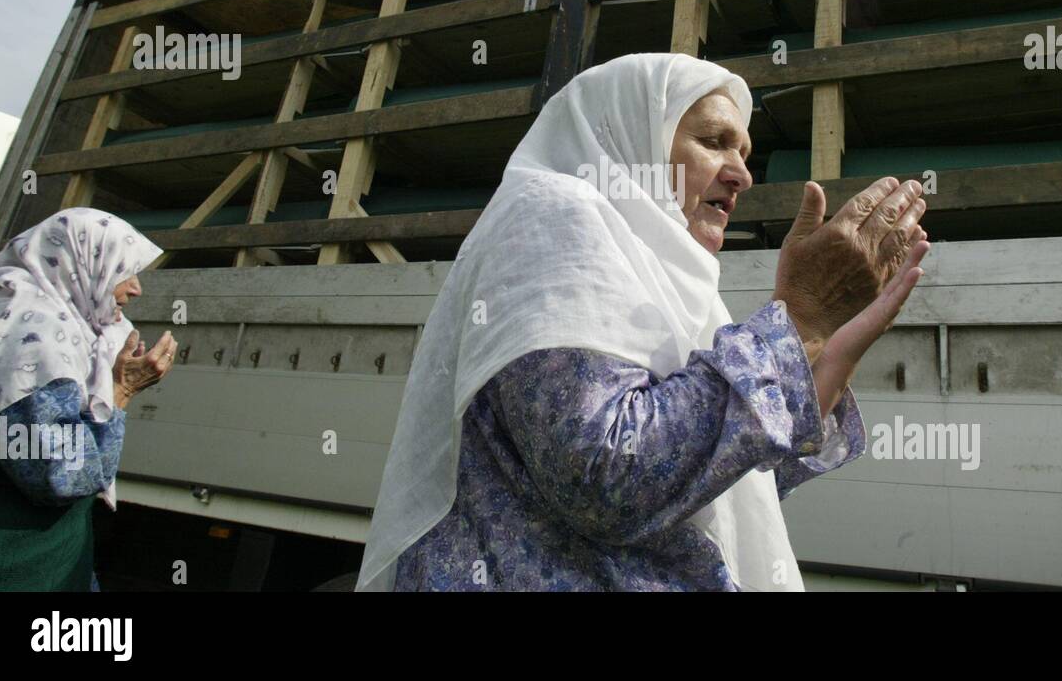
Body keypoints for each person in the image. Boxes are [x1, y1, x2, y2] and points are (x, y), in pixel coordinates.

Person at [358, 52, 929, 592]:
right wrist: (798, 320)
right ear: (627, 137)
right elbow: (605, 481)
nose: (742, 176)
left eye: (746, 154)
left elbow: (697, 491)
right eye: (714, 142)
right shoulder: (556, 213)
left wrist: (820, 356)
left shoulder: (677, 286)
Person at [0, 208, 178, 591]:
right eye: (124, 271)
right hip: (15, 566)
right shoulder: (34, 337)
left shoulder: (3, 310)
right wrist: (122, 391)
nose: (135, 289)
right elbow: (62, 477)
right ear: (82, 262)